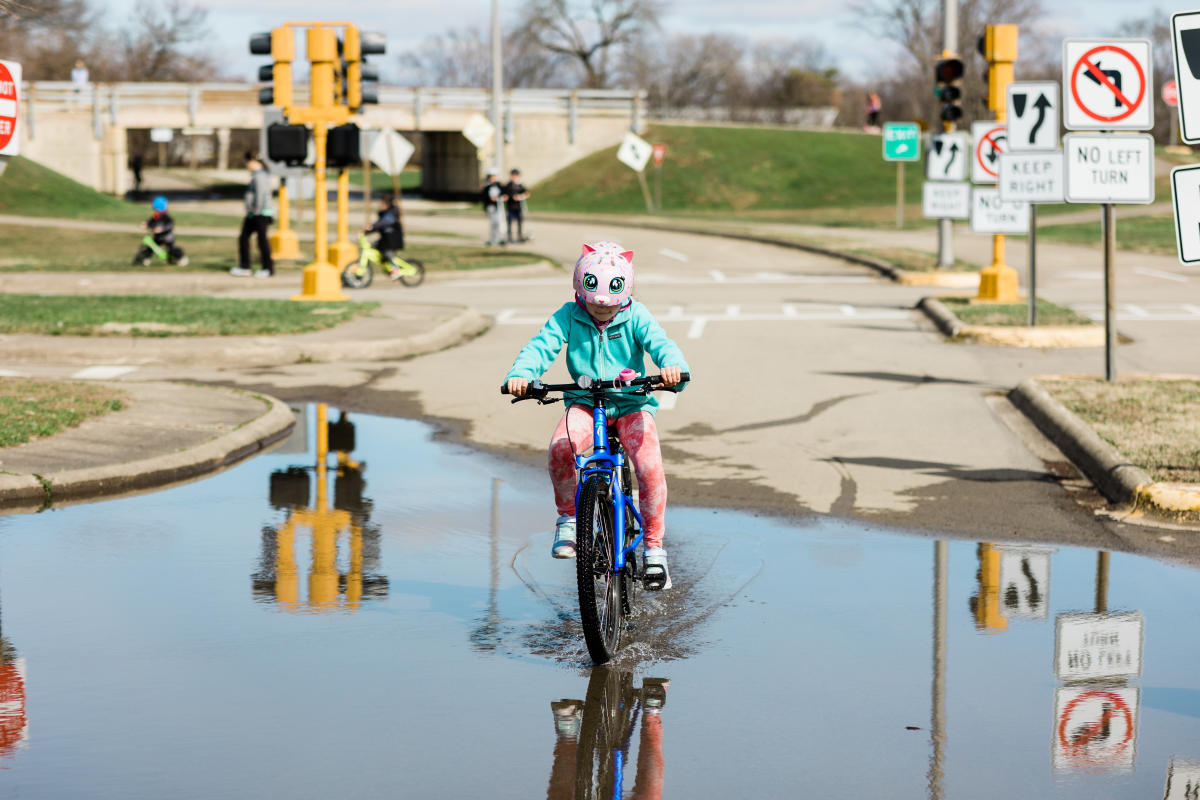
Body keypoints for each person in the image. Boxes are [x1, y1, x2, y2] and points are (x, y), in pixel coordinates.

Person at [504, 241, 690, 590]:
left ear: (626, 293)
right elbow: (540, 346)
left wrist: (672, 368)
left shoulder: (636, 315)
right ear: (580, 291)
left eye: (610, 304)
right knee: (561, 448)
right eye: (592, 302)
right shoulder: (567, 315)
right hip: (587, 403)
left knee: (649, 466)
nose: (601, 310)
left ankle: (653, 551)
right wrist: (522, 375)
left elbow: (661, 343)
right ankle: (569, 519)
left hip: (632, 404)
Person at [230, 153, 274, 278]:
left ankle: (267, 268)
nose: (247, 165)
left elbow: (260, 196)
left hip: (259, 213)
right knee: (244, 238)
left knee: (262, 241)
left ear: (255, 161)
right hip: (254, 213)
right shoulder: (258, 175)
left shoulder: (260, 176)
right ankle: (245, 266)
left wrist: (256, 212)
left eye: (248, 162)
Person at [133, 196, 187, 266]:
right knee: (150, 248)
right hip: (158, 237)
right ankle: (145, 259)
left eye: (157, 210)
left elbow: (169, 225)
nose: (156, 212)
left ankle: (181, 257)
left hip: (167, 238)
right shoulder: (155, 216)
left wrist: (162, 229)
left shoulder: (166, 217)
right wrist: (146, 224)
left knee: (171, 249)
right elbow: (151, 222)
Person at [363, 192, 406, 279]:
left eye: (381, 203)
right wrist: (370, 230)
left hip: (393, 238)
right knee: (374, 246)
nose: (380, 205)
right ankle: (387, 265)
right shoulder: (384, 212)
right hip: (386, 238)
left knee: (386, 251)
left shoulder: (391, 213)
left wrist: (372, 227)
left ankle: (395, 268)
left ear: (387, 203)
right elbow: (380, 224)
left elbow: (384, 222)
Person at [503, 168, 529, 243]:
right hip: (510, 207)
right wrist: (510, 197)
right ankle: (509, 237)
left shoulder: (520, 185)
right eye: (513, 175)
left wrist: (521, 196)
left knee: (520, 221)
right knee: (509, 222)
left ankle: (520, 236)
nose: (515, 177)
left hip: (518, 207)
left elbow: (526, 193)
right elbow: (506, 194)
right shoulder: (509, 185)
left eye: (516, 175)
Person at [481, 169, 506, 246]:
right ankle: (492, 239)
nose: (494, 178)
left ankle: (500, 238)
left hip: (499, 206)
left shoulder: (499, 185)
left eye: (495, 176)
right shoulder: (487, 186)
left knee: (499, 222)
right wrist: (491, 199)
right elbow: (485, 197)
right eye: (492, 176)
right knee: (493, 223)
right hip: (491, 207)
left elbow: (504, 193)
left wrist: (503, 197)